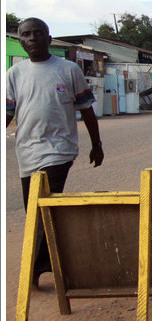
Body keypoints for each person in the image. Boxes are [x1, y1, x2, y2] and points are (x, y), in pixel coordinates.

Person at [6, 17, 104, 287]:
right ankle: (52, 263)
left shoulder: (68, 69)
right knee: (34, 210)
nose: (33, 38)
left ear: (49, 39)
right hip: (26, 152)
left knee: (43, 202)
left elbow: (87, 110)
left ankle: (37, 269)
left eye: (39, 33)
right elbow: (8, 113)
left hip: (59, 151)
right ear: (20, 41)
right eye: (26, 34)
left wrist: (97, 144)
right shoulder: (15, 74)